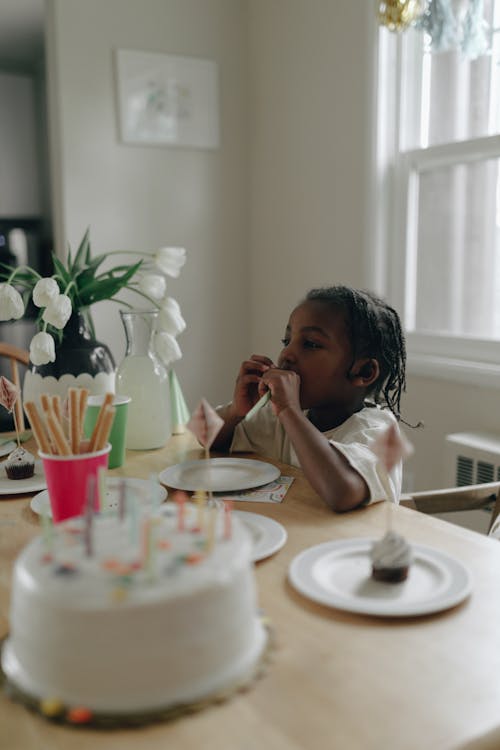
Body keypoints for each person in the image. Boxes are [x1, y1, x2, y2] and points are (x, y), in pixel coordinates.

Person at [212, 285, 408, 512]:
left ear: (363, 372)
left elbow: (342, 492)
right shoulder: (283, 417)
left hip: (350, 544)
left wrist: (289, 411)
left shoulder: (380, 431)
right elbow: (201, 433)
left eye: (311, 344)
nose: (286, 354)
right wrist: (236, 412)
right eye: (287, 341)